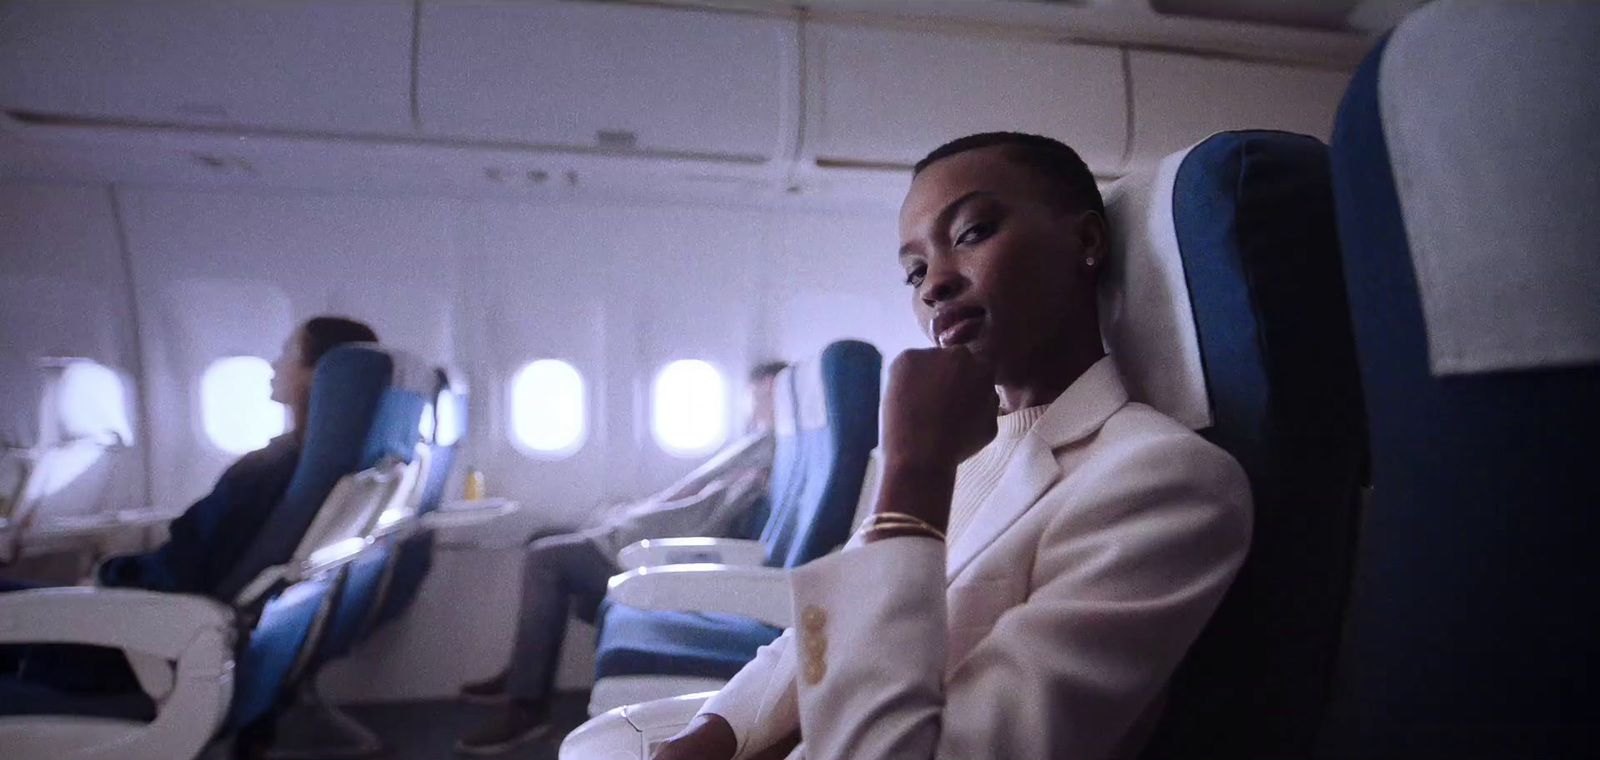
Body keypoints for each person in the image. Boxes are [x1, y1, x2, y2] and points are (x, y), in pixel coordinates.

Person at [651, 133, 1254, 760]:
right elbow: (822, 635)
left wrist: (914, 471)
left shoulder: (1166, 481)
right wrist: (710, 735)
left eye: (971, 233)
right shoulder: (964, 453)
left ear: (1086, 241)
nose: (933, 284)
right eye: (914, 271)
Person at [0, 316, 379, 692]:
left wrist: (105, 576)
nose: (275, 364)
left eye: (288, 353)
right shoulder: (309, 467)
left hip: (138, 645)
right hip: (166, 633)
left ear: (320, 375)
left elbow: (182, 569)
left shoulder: (269, 471)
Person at [455, 361, 789, 756]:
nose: (751, 404)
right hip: (659, 539)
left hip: (674, 553)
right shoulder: (758, 441)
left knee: (547, 558)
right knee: (544, 537)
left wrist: (638, 518)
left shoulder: (766, 445)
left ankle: (526, 706)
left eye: (756, 394)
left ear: (771, 388)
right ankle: (522, 675)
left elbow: (705, 507)